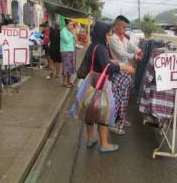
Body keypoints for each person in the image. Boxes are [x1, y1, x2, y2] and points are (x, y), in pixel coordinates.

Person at [83, 21, 135, 153]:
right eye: (108, 34)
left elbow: (98, 62)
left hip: (91, 82)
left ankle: (90, 139)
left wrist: (109, 61)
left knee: (90, 110)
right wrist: (124, 67)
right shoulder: (101, 48)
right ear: (102, 34)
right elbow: (108, 68)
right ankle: (104, 144)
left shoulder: (93, 46)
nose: (109, 36)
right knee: (103, 111)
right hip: (101, 83)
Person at [109, 15, 142, 135]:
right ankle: (113, 124)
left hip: (126, 72)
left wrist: (138, 50)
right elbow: (121, 54)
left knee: (125, 98)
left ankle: (121, 119)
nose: (125, 29)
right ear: (117, 26)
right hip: (119, 72)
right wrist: (134, 56)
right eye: (123, 27)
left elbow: (131, 46)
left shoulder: (122, 37)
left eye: (126, 27)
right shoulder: (113, 39)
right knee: (117, 99)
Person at [60, 19, 76, 88]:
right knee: (66, 66)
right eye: (70, 24)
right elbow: (66, 40)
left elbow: (73, 40)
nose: (72, 26)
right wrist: (72, 35)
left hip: (71, 50)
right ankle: (64, 82)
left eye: (72, 24)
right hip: (65, 51)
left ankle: (69, 81)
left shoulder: (70, 31)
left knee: (71, 66)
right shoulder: (63, 31)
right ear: (66, 25)